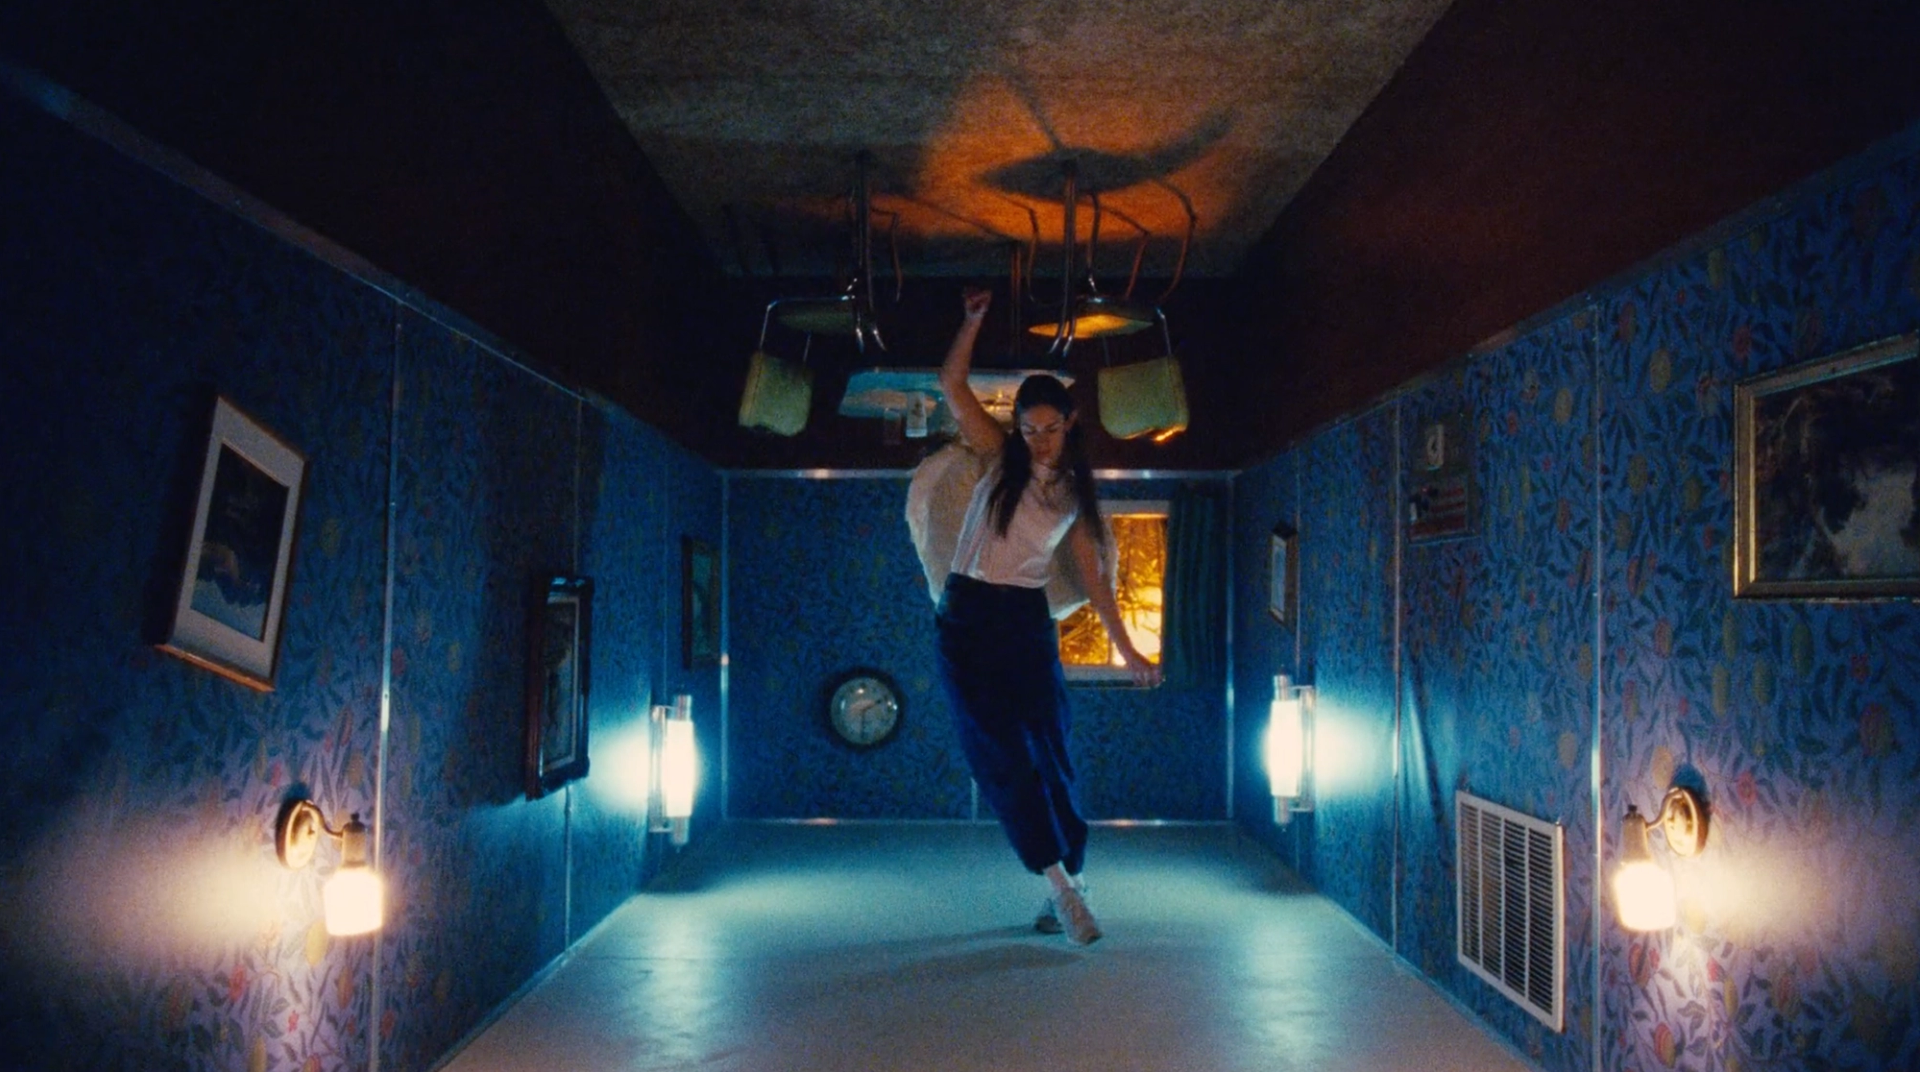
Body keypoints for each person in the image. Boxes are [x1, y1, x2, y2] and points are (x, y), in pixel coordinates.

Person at [933, 285, 1160, 946]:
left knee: (1052, 748)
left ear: (1070, 423)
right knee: (1001, 751)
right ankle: (1060, 887)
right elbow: (951, 384)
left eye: (1051, 429)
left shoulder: (1075, 496)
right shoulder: (998, 456)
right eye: (1029, 430)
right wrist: (971, 321)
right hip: (966, 618)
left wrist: (1126, 649)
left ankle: (1072, 877)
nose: (1039, 442)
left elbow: (1096, 581)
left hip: (1025, 620)